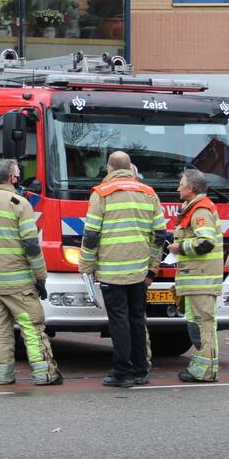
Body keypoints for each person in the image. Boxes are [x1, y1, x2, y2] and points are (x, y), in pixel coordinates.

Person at [0, 159, 62, 386]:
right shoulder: (20, 203)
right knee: (32, 327)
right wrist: (40, 277)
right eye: (18, 173)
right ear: (13, 177)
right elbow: (31, 245)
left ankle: (2, 376)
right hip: (18, 283)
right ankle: (45, 374)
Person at [78, 151, 166, 388]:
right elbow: (160, 235)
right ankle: (140, 370)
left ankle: (122, 372)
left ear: (109, 168)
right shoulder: (149, 193)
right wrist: (152, 268)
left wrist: (86, 265)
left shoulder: (102, 194)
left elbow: (91, 235)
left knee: (119, 321)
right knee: (137, 319)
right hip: (138, 271)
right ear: (130, 167)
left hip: (111, 271)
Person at [168, 168, 223, 383]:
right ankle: (201, 368)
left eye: (180, 184)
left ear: (191, 188)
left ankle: (205, 370)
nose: (178, 187)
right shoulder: (194, 209)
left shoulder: (200, 211)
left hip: (201, 280)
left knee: (203, 324)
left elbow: (206, 242)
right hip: (195, 279)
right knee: (198, 323)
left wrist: (180, 247)